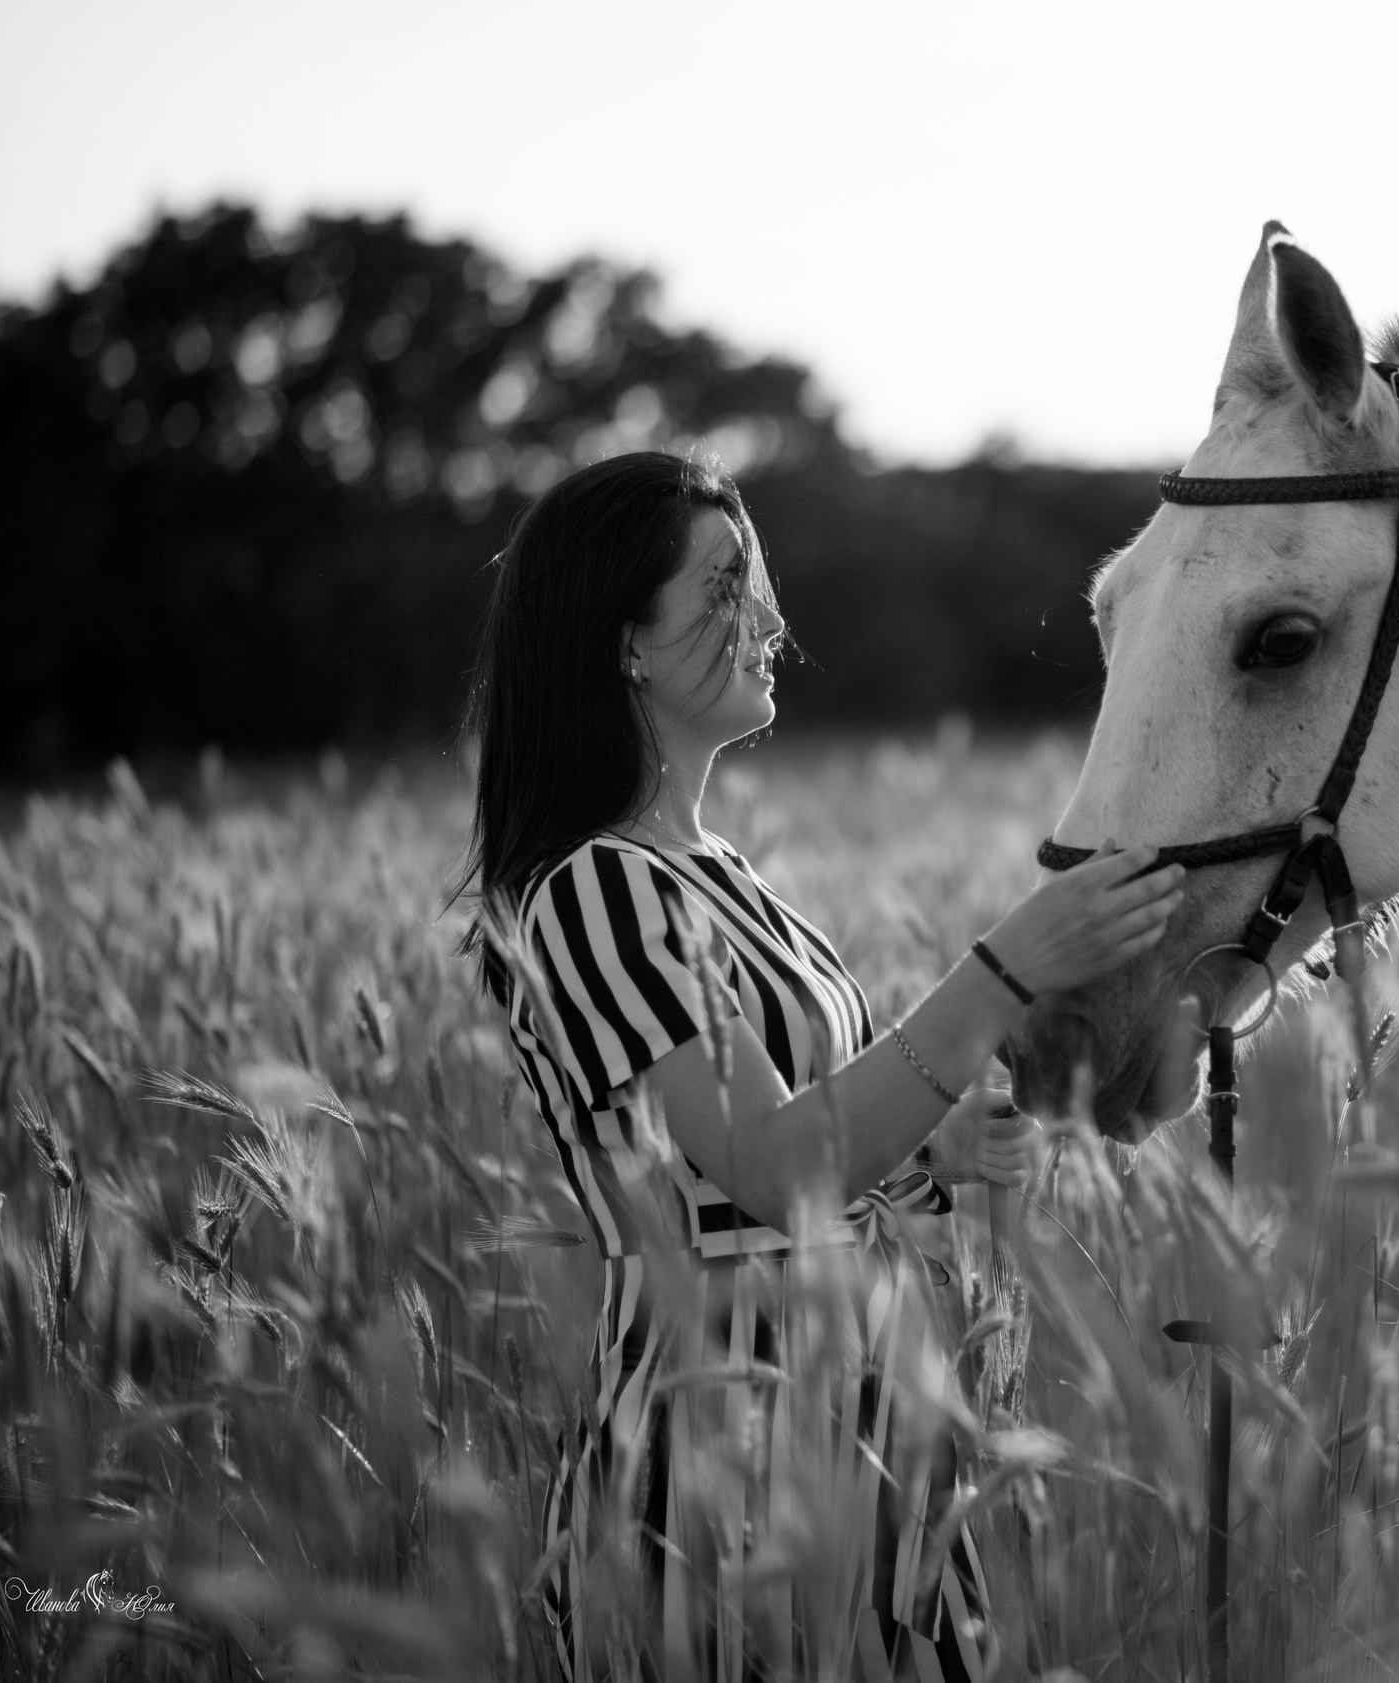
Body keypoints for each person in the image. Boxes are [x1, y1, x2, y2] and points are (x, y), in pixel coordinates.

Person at [456, 451, 1183, 1681]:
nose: (771, 621)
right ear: (621, 641)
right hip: (726, 1445)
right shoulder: (592, 889)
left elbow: (798, 1152)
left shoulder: (717, 874)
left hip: (862, 1426)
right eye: (725, 587)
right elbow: (770, 1165)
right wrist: (999, 970)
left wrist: (933, 1149)